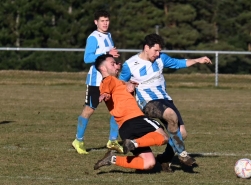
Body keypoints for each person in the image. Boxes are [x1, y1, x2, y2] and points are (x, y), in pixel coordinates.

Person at [118, 33, 212, 171]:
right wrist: (126, 84)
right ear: (146, 48)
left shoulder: (161, 58)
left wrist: (197, 60)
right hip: (147, 102)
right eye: (155, 50)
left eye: (159, 51)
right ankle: (182, 154)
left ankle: (164, 159)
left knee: (181, 133)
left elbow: (178, 63)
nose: (158, 54)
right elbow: (120, 82)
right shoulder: (130, 65)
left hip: (165, 99)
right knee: (170, 115)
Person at [93, 54, 169, 171]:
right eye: (112, 64)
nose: (116, 66)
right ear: (103, 68)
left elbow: (118, 89)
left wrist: (130, 84)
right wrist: (105, 94)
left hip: (124, 128)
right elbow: (106, 88)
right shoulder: (109, 80)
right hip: (135, 119)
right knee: (163, 137)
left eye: (116, 63)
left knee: (149, 163)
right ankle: (134, 143)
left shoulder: (118, 82)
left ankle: (112, 159)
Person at [72, 10, 123, 155]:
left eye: (107, 20)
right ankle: (78, 140)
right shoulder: (93, 37)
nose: (105, 23)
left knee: (117, 109)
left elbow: (108, 58)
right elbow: (87, 58)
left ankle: (112, 140)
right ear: (96, 22)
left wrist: (115, 64)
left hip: (110, 80)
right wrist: (107, 53)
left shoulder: (109, 35)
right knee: (89, 110)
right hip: (96, 81)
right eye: (102, 21)